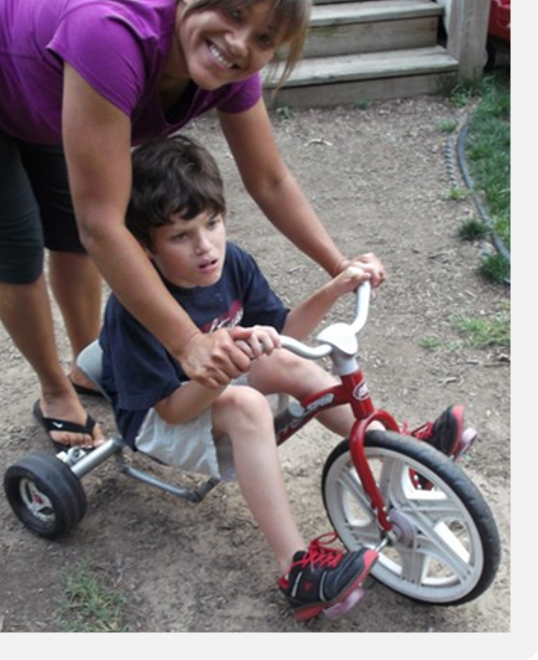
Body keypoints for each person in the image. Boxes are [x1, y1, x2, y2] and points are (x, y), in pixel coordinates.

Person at [0, 0, 386, 453]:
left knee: (71, 239)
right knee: (16, 251)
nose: (239, 44)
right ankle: (56, 389)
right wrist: (186, 342)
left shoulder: (229, 67)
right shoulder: (110, 31)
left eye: (263, 38)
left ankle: (91, 366)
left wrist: (337, 265)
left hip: (55, 94)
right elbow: (102, 225)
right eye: (235, 13)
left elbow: (269, 179)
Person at [99, 134, 466, 619]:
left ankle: (397, 452)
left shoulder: (233, 263)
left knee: (290, 360)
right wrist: (220, 377)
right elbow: (168, 408)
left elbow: (285, 332)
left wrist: (334, 287)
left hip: (215, 389)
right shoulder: (135, 309)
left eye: (212, 223)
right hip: (161, 416)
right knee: (247, 403)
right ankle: (297, 569)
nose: (205, 246)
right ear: (145, 248)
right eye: (180, 236)